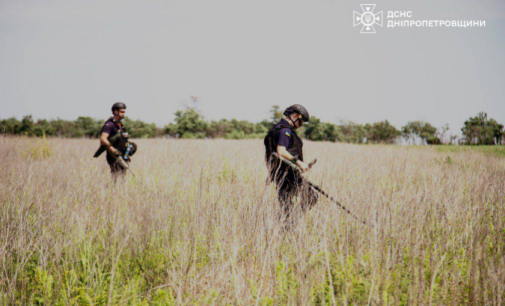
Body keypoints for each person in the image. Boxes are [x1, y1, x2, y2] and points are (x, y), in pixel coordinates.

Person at [264, 104, 318, 219]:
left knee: (286, 207)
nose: (300, 125)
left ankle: (286, 226)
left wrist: (271, 172)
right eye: (301, 122)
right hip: (288, 176)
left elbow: (272, 155)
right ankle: (292, 221)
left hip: (280, 175)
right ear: (294, 116)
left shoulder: (276, 129)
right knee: (312, 197)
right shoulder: (285, 131)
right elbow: (280, 151)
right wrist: (300, 163)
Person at [93, 102, 137, 181]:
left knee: (122, 178)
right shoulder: (110, 124)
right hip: (115, 156)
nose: (124, 114)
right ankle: (113, 191)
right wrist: (112, 150)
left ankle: (120, 192)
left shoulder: (120, 125)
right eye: (122, 112)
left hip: (123, 155)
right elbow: (103, 139)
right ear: (116, 112)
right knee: (116, 178)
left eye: (124, 112)